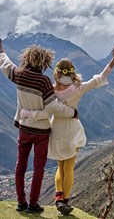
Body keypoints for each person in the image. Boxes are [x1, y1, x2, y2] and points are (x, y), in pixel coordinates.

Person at [21, 44, 114, 215]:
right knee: (69, 168)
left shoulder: (50, 90)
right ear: (72, 72)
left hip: (55, 131)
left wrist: (28, 113)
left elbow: (43, 111)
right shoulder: (78, 88)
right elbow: (100, 78)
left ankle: (59, 197)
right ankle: (64, 201)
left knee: (60, 167)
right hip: (72, 130)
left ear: (57, 73)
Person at [0, 38, 77, 214]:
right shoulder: (43, 82)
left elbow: (6, 64)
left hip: (24, 129)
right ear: (44, 62)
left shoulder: (18, 75)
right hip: (41, 132)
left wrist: (1, 51)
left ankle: (21, 202)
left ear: (27, 59)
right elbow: (54, 108)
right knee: (38, 168)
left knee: (20, 165)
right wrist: (71, 112)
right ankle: (33, 205)